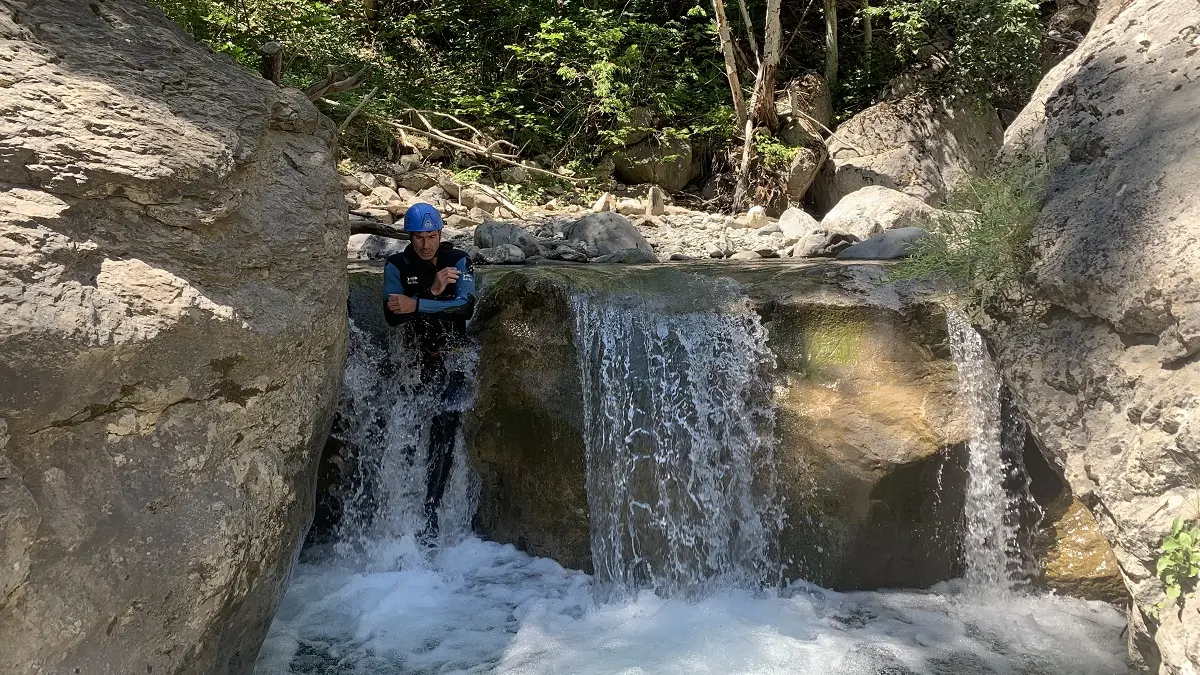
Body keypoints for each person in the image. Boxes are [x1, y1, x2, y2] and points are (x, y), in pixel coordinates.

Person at [382, 202, 476, 543]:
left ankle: (431, 511)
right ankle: (402, 512)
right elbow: (393, 315)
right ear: (410, 237)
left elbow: (465, 306)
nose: (425, 245)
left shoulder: (458, 260)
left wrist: (419, 302)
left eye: (432, 236)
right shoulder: (397, 265)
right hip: (414, 359)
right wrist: (431, 292)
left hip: (454, 358)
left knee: (445, 424)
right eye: (419, 237)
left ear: (441, 234)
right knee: (405, 427)